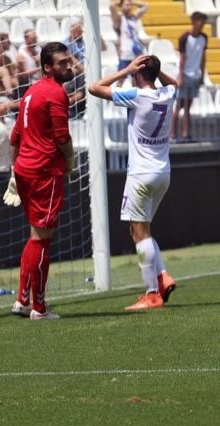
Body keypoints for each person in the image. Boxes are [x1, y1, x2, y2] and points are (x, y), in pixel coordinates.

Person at [88, 55, 178, 310]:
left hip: (140, 175)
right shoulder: (167, 93)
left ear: (138, 73)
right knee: (141, 231)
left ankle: (151, 295)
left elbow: (94, 88)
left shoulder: (136, 96)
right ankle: (162, 276)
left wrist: (126, 69)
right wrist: (156, 70)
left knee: (140, 235)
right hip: (163, 173)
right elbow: (175, 83)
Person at [7, 42, 75, 320]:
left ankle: (23, 301)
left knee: (35, 236)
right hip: (44, 172)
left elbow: (15, 136)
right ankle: (39, 308)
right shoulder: (56, 93)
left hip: (25, 170)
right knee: (42, 239)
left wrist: (13, 171)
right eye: (62, 63)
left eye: (68, 61)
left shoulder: (31, 92)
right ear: (47, 67)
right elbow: (62, 136)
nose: (68, 66)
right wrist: (70, 159)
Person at [173, 12, 208, 141]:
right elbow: (182, 58)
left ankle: (185, 134)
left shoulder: (204, 37)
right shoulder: (185, 37)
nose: (202, 24)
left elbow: (203, 57)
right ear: (194, 22)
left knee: (188, 107)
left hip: (195, 76)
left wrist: (202, 75)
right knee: (179, 106)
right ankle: (172, 135)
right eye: (200, 21)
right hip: (185, 75)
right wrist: (180, 76)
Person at [111, 0, 149, 85]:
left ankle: (134, 97)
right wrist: (121, 2)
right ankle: (115, 97)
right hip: (125, 53)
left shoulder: (133, 17)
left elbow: (146, 6)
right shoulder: (119, 18)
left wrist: (132, 1)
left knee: (136, 79)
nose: (129, 6)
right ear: (121, 6)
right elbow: (111, 6)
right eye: (126, 5)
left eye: (129, 5)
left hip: (136, 52)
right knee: (121, 78)